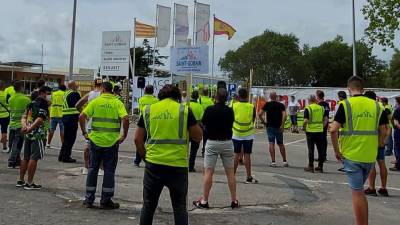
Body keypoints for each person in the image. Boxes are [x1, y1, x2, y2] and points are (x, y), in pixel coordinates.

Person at [134, 84, 202, 225]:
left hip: (153, 164)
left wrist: (145, 157)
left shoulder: (148, 110)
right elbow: (198, 136)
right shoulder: (184, 110)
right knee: (179, 207)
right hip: (177, 165)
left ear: (160, 96)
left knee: (148, 206)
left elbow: (137, 139)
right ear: (178, 97)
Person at [330, 76, 388, 225]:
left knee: (357, 193)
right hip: (369, 155)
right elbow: (383, 130)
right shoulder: (376, 106)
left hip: (352, 155)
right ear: (363, 89)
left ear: (349, 89)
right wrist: (379, 144)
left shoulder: (346, 104)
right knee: (360, 191)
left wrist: (337, 151)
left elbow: (333, 130)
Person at [80, 82, 129, 209]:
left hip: (95, 141)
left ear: (102, 90)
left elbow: (81, 116)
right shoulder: (117, 102)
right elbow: (126, 118)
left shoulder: (95, 102)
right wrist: (124, 135)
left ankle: (89, 199)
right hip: (112, 142)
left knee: (92, 169)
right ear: (111, 90)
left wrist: (85, 132)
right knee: (109, 171)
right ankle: (106, 200)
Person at [193, 88, 240, 209]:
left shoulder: (209, 110)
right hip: (227, 142)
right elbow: (231, 123)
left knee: (209, 171)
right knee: (230, 172)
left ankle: (205, 200)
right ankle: (234, 200)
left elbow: (203, 123)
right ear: (226, 98)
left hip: (212, 142)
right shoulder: (230, 111)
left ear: (216, 97)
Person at [17, 86, 50, 190]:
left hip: (28, 134)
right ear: (42, 93)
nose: (49, 96)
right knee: (34, 158)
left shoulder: (31, 103)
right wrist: (31, 128)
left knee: (26, 157)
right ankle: (30, 182)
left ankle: (21, 180)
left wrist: (25, 127)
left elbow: (23, 117)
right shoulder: (43, 103)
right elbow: (40, 119)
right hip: (38, 134)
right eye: (48, 94)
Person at [363, 91, 390, 197]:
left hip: (372, 142)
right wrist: (383, 141)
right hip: (380, 142)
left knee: (371, 165)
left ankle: (372, 188)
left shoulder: (371, 110)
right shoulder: (381, 109)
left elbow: (382, 129)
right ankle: (383, 188)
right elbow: (387, 129)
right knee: (382, 164)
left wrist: (379, 142)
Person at [75, 78, 103, 175]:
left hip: (91, 123)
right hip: (101, 123)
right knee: (102, 146)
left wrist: (84, 113)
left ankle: (86, 167)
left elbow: (77, 105)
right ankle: (100, 168)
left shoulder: (90, 94)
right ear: (102, 85)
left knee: (88, 146)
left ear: (94, 85)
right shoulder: (104, 95)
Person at [232, 88, 257, 183]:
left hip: (236, 133)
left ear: (238, 95)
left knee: (236, 154)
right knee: (247, 155)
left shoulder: (234, 106)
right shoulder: (251, 106)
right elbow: (253, 119)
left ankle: (232, 175)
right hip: (248, 133)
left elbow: (231, 118)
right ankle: (249, 176)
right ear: (246, 96)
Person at [257, 92, 288, 167]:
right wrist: (282, 125)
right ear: (276, 97)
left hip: (270, 126)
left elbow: (259, 114)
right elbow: (285, 115)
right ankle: (284, 161)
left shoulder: (267, 104)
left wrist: (263, 122)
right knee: (280, 144)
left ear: (270, 97)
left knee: (271, 143)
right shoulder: (281, 105)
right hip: (278, 126)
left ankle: (273, 162)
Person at [7, 82, 31, 168]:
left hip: (12, 123)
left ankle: (17, 161)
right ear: (21, 88)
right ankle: (12, 161)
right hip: (21, 124)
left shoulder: (10, 99)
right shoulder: (26, 99)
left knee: (12, 143)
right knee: (17, 144)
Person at [134, 85, 159, 167]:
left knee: (140, 141)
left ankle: (137, 161)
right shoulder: (156, 100)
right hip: (152, 121)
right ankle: (152, 159)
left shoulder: (141, 99)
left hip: (143, 120)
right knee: (151, 141)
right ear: (153, 91)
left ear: (145, 91)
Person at [303, 95, 328, 173]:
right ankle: (320, 167)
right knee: (320, 149)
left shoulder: (308, 108)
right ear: (315, 100)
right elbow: (326, 119)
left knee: (311, 149)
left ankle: (311, 166)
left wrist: (304, 128)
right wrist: (322, 127)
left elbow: (305, 121)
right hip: (320, 131)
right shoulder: (321, 108)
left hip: (310, 131)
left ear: (309, 100)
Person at [59, 80, 81, 163]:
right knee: (71, 138)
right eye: (76, 85)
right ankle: (66, 156)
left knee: (66, 138)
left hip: (65, 118)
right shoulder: (75, 94)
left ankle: (62, 155)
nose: (77, 86)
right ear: (72, 86)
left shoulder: (66, 93)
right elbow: (79, 105)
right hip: (72, 118)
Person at [188, 90, 204, 172]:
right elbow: (201, 119)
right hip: (196, 128)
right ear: (197, 97)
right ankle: (191, 166)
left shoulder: (186, 104)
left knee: (184, 148)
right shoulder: (199, 106)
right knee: (194, 149)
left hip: (185, 129)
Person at [199, 88, 214, 157]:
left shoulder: (199, 100)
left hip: (199, 121)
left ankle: (194, 150)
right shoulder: (210, 101)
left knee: (197, 137)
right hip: (207, 122)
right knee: (205, 138)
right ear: (208, 93)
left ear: (202, 93)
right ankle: (204, 151)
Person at [316, 90, 330, 162]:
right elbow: (327, 115)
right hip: (325, 123)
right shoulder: (326, 104)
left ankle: (321, 157)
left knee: (320, 141)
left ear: (318, 96)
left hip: (321, 124)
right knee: (324, 140)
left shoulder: (319, 104)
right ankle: (324, 155)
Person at [337, 91, 347, 172]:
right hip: (349, 130)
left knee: (342, 149)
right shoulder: (349, 103)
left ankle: (345, 165)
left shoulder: (341, 104)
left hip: (342, 129)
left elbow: (339, 118)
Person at [390, 96, 400, 172]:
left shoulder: (397, 110)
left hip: (398, 132)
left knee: (397, 148)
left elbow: (395, 121)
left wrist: (395, 126)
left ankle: (398, 165)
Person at [0, 81, 10, 152]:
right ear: (3, 86)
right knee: (4, 131)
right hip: (5, 115)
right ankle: (4, 147)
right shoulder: (7, 94)